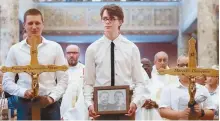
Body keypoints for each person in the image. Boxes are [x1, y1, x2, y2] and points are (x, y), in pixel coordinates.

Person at [83, 4, 148, 120]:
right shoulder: (92, 49)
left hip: (126, 107)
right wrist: (89, 104)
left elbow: (139, 82)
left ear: (121, 21)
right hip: (100, 107)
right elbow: (88, 82)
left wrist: (135, 102)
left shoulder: (131, 48)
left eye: (112, 19)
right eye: (105, 19)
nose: (108, 22)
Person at [2, 8, 68, 120]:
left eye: (37, 23)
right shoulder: (15, 50)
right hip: (25, 103)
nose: (34, 27)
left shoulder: (55, 48)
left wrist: (51, 98)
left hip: (50, 104)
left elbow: (63, 79)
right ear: (24, 25)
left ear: (43, 25)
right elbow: (7, 82)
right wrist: (24, 92)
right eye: (30, 23)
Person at [159, 55, 215, 120]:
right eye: (182, 65)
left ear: (195, 68)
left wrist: (201, 112)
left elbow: (211, 114)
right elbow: (163, 112)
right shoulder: (168, 88)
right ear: (177, 67)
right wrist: (180, 114)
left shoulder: (203, 89)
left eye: (189, 65)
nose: (186, 68)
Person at [60, 44, 88, 120]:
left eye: (74, 53)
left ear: (79, 54)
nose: (71, 55)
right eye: (69, 53)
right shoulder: (60, 70)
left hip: (81, 109)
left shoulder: (85, 70)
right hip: (65, 107)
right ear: (65, 55)